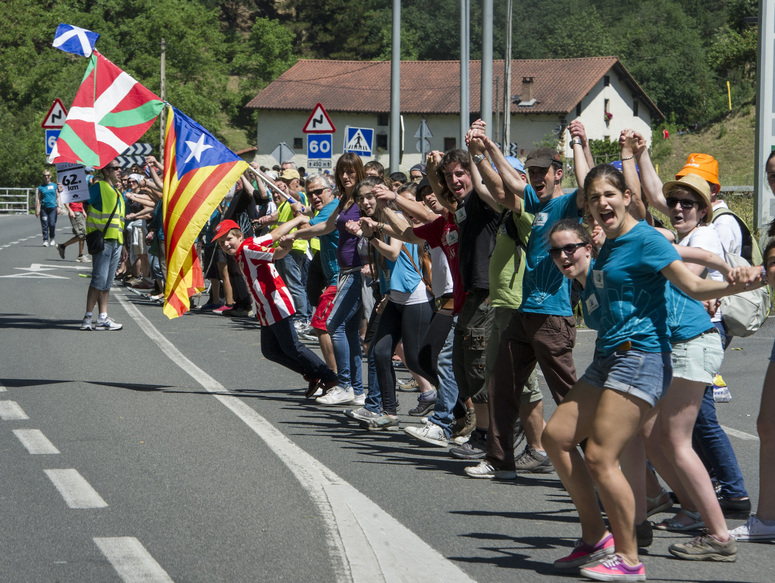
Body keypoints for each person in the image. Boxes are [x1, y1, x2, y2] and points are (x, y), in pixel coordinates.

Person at [542, 164, 757, 581]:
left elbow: (691, 285)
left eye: (610, 194)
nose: (603, 203)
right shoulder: (609, 246)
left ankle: (628, 559)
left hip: (641, 356)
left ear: (626, 196)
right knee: (556, 437)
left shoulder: (643, 238)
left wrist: (736, 280)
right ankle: (595, 538)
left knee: (603, 456)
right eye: (594, 198)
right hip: (608, 356)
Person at [213, 216, 339, 396]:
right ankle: (313, 374)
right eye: (221, 242)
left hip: (275, 303)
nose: (226, 244)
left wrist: (285, 247)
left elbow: (276, 254)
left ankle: (328, 376)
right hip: (265, 306)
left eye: (229, 239)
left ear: (239, 236)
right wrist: (299, 219)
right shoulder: (249, 244)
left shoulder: (248, 248)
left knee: (292, 347)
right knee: (270, 350)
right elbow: (275, 234)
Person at [284, 153, 368, 407]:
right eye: (342, 171)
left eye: (351, 171)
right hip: (344, 273)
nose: (346, 176)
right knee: (350, 330)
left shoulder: (364, 198)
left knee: (333, 324)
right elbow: (326, 227)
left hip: (356, 272)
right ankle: (356, 389)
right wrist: (296, 234)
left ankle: (343, 384)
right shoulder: (344, 202)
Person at [730, 152, 775, 541]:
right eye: (771, 175)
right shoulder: (773, 228)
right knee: (767, 424)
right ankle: (766, 519)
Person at [80, 161, 126, 331]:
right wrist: (65, 191)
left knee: (107, 282)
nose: (120, 170)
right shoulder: (99, 187)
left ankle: (102, 318)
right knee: (98, 280)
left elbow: (120, 222)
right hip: (103, 241)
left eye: (120, 168)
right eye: (116, 168)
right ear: (106, 171)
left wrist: (124, 246)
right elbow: (81, 198)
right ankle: (87, 318)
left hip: (116, 242)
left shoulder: (118, 193)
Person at [36, 169, 61, 247]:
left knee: (52, 223)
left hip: (53, 208)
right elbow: (38, 198)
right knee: (45, 225)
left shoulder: (54, 185)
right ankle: (45, 240)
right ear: (43, 177)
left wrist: (59, 206)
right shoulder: (41, 187)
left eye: (48, 175)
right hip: (44, 208)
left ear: (50, 176)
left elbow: (58, 196)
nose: (46, 177)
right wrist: (37, 209)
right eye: (45, 175)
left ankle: (52, 238)